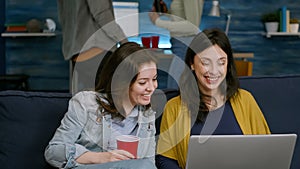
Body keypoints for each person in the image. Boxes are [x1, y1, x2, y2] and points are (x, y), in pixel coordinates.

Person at [155, 28, 271, 169]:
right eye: (206, 62)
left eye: (221, 62)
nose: (214, 71)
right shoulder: (175, 107)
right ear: (192, 63)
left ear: (228, 65)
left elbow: (267, 152)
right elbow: (165, 159)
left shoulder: (245, 100)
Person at [44, 42, 158, 169]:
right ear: (122, 82)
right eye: (142, 82)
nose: (152, 88)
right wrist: (102, 158)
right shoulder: (86, 103)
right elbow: (53, 151)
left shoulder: (147, 116)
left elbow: (150, 162)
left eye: (154, 79)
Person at [56, 0, 128, 93]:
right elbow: (102, 15)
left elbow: (63, 17)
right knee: (111, 101)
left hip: (78, 56)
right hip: (98, 51)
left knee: (92, 102)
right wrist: (125, 43)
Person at [149, 0, 204, 89]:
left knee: (173, 88)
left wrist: (158, 22)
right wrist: (167, 13)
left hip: (185, 45)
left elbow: (192, 26)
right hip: (179, 45)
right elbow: (182, 18)